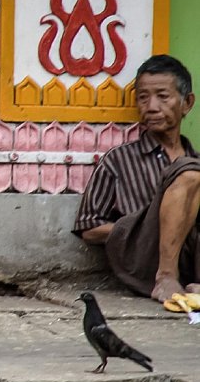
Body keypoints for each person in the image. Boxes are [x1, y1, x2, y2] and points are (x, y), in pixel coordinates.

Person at [74, 54, 200, 305]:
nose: (151, 106)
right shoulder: (118, 160)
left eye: (162, 97)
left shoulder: (195, 160)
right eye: (143, 97)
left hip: (191, 257)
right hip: (143, 258)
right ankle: (165, 276)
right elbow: (88, 227)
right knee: (188, 174)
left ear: (187, 103)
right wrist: (136, 229)